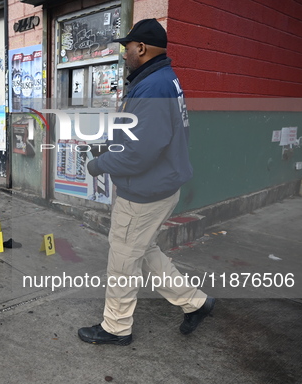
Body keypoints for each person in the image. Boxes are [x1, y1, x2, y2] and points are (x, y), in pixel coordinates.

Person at [78, 19, 215, 346]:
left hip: (144, 193)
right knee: (143, 250)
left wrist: (98, 164)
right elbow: (145, 137)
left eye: (127, 47)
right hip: (160, 185)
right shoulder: (162, 80)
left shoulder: (154, 86)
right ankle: (196, 302)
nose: (124, 53)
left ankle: (116, 327)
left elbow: (139, 154)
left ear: (141, 48)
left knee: (123, 260)